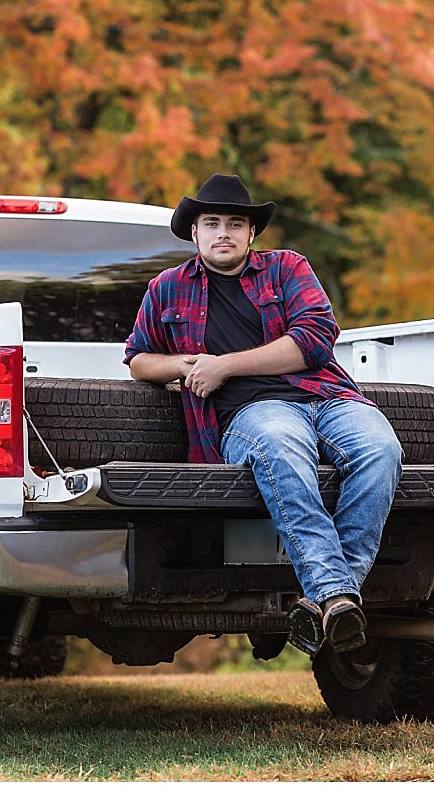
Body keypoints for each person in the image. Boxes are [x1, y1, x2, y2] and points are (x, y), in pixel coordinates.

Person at [123, 173, 401, 657]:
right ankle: (337, 596)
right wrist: (182, 365)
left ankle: (329, 600)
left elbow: (315, 338)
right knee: (281, 448)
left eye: (235, 223)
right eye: (212, 223)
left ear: (252, 233)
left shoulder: (288, 268)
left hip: (328, 396)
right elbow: (137, 359)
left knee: (382, 449)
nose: (223, 232)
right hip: (252, 414)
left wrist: (224, 365)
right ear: (195, 233)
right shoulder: (166, 288)